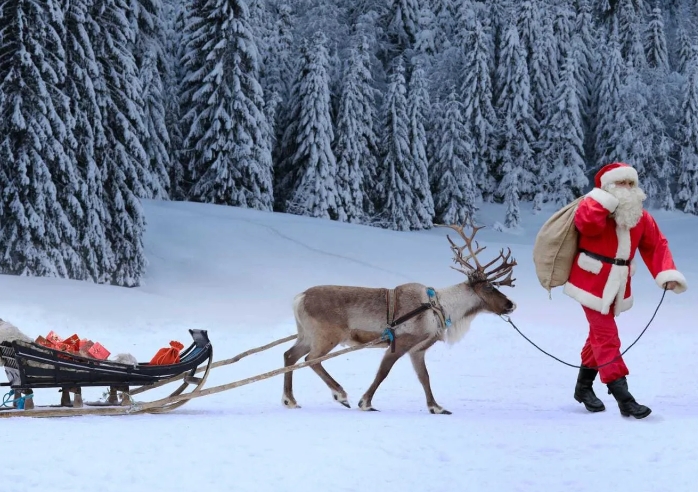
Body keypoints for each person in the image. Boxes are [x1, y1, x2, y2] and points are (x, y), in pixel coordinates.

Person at [563, 162, 688, 419]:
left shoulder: (638, 216)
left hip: (618, 283)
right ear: (608, 186)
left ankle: (583, 388)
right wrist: (603, 199)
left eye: (631, 183)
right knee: (607, 336)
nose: (628, 189)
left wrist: (666, 273)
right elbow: (587, 225)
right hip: (590, 280)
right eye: (621, 183)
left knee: (597, 336)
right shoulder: (593, 208)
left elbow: (656, 245)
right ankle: (624, 398)